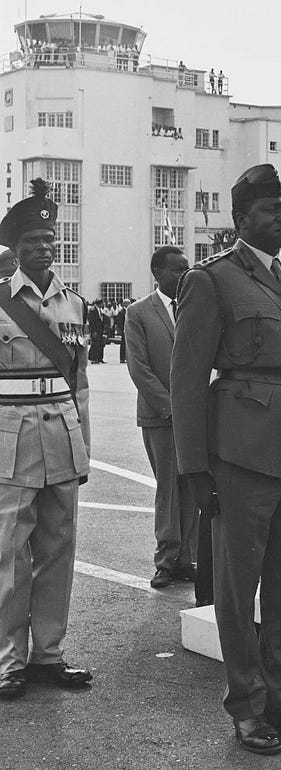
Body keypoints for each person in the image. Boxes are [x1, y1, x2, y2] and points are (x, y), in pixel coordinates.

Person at [171, 164, 281, 754]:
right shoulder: (211, 281)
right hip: (242, 452)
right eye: (271, 211)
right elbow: (187, 381)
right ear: (241, 221)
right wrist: (194, 469)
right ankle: (246, 706)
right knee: (238, 590)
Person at [0, 179, 92, 700]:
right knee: (10, 554)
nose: (42, 248)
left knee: (59, 548)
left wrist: (85, 447)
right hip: (10, 437)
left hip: (62, 433)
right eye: (31, 239)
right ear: (14, 248)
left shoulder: (73, 303)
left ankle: (48, 654)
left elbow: (79, 383)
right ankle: (7, 661)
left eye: (48, 238)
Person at [124, 246, 199, 592]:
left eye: (187, 268)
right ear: (157, 272)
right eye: (177, 269)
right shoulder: (138, 312)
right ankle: (166, 560)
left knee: (193, 486)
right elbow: (138, 368)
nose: (184, 274)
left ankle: (187, 559)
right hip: (161, 416)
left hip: (195, 414)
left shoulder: (194, 307)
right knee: (168, 488)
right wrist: (171, 407)